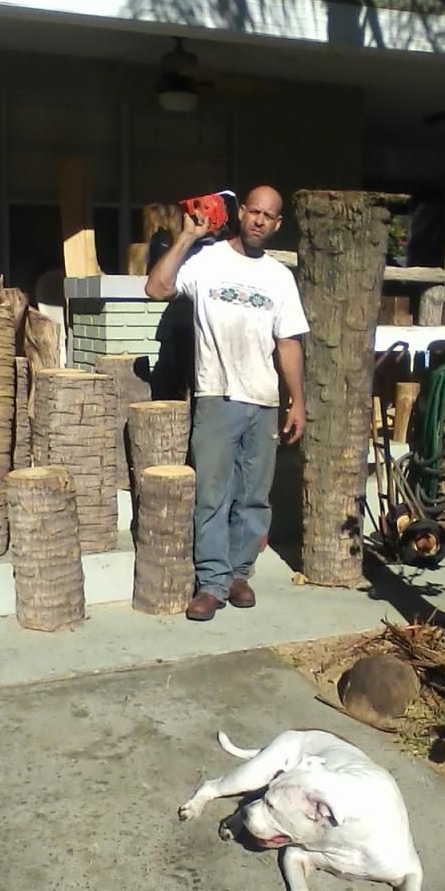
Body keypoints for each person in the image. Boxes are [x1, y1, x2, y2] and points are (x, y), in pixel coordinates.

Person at [145, 185, 309, 621]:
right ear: (241, 214)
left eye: (268, 216)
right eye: (253, 211)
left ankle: (239, 574)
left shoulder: (279, 277)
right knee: (213, 495)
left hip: (263, 401)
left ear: (277, 224)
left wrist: (297, 401)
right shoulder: (208, 261)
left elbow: (289, 343)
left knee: (254, 498)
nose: (259, 220)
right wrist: (187, 236)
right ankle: (212, 584)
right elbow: (156, 288)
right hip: (216, 395)